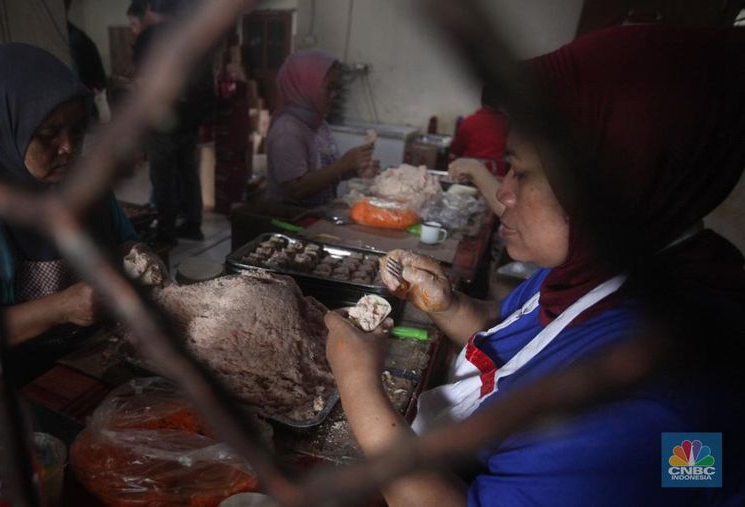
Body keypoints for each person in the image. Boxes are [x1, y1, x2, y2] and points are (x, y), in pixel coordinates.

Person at [325, 25, 745, 506]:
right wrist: (449, 305)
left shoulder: (655, 409)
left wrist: (358, 385)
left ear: (610, 184)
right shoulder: (604, 263)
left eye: (521, 173)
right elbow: (524, 338)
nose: (502, 194)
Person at [0, 44, 140, 352]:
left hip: (92, 351)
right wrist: (59, 309)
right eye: (48, 134)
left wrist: (138, 256)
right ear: (2, 129)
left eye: (78, 129)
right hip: (11, 374)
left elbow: (123, 243)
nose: (68, 148)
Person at [128, 0, 214, 243]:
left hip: (162, 122)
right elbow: (207, 83)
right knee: (188, 173)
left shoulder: (150, 39)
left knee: (163, 177)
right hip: (191, 121)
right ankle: (193, 224)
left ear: (150, 10)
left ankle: (166, 232)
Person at [266, 50, 377, 208]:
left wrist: (356, 168)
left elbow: (325, 172)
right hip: (290, 223)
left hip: (316, 216)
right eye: (329, 88)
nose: (334, 95)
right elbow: (296, 189)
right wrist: (343, 164)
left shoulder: (318, 124)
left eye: (336, 89)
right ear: (306, 86)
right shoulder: (287, 131)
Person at [448, 86, 509, 176]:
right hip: (497, 178)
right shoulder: (507, 124)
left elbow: (456, 149)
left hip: (470, 176)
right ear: (501, 102)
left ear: (482, 100)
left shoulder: (469, 121)